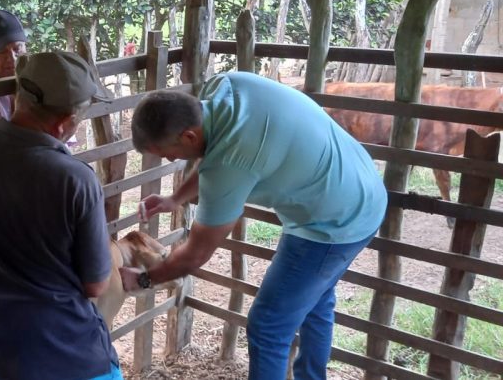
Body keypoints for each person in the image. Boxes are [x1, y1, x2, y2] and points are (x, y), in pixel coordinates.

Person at [120, 72, 388, 380]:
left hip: (334, 223)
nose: (170, 159)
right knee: (313, 301)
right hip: (358, 186)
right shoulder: (225, 87)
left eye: (168, 153)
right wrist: (175, 198)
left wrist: (144, 279)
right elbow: (212, 152)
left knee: (268, 325)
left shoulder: (229, 164)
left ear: (189, 136)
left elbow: (195, 254)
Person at [0, 51, 121, 380]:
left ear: (18, 94)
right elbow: (95, 285)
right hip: (59, 354)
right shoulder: (75, 179)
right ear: (64, 124)